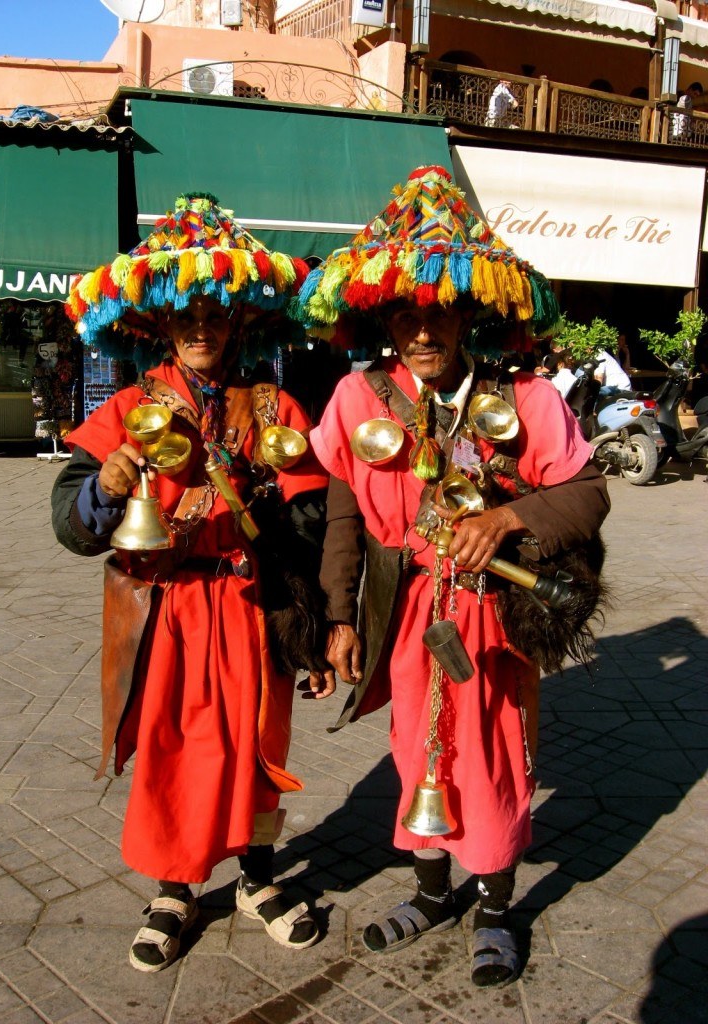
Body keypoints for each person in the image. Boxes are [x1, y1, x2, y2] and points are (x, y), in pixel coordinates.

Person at [293, 166, 610, 987]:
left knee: (494, 760)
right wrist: (338, 617)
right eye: (406, 314)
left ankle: (498, 907)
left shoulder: (526, 399)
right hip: (405, 614)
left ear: (468, 312)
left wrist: (506, 518)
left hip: (491, 619)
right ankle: (433, 893)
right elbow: (341, 517)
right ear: (385, 319)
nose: (423, 331)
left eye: (438, 312)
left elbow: (588, 490)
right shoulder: (358, 399)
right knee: (414, 751)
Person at [52, 191, 333, 973]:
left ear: (239, 320)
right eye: (188, 315)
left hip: (255, 607)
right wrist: (106, 487)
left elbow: (315, 527)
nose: (203, 327)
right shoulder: (131, 408)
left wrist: (316, 631)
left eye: (217, 312)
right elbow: (69, 527)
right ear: (161, 324)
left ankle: (257, 877)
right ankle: (175, 887)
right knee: (176, 749)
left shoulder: (276, 405)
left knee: (257, 745)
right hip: (169, 610)